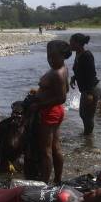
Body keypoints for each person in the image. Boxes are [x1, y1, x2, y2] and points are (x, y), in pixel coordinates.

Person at [28, 40, 70, 184]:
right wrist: (43, 92)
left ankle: (44, 183)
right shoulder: (63, 68)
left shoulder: (57, 73)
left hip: (50, 112)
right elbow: (66, 89)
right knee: (55, 146)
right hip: (56, 111)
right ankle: (57, 179)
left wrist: (39, 104)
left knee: (45, 150)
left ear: (63, 55)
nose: (51, 60)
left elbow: (62, 97)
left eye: (54, 56)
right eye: (48, 56)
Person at [70, 33, 101, 135]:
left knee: (87, 115)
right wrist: (74, 77)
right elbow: (80, 71)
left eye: (71, 42)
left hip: (91, 88)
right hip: (87, 88)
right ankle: (87, 136)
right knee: (83, 114)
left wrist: (89, 93)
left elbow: (91, 74)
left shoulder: (87, 55)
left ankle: (88, 138)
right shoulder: (78, 54)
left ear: (78, 43)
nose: (69, 44)